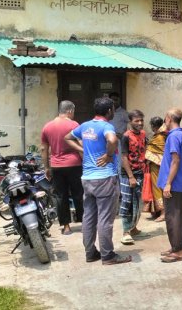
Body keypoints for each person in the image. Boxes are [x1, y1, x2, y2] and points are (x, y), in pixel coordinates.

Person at [64, 97, 131, 265]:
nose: (114, 112)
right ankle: (108, 255)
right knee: (105, 219)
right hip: (104, 178)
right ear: (109, 111)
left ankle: (90, 252)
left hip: (87, 178)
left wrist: (83, 150)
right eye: (113, 109)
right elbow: (113, 140)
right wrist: (109, 155)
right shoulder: (107, 126)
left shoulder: (85, 126)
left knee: (89, 217)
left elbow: (67, 138)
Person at [41, 100, 83, 236]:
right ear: (70, 111)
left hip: (56, 166)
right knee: (78, 193)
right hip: (74, 165)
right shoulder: (74, 124)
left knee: (60, 196)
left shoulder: (47, 127)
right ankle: (83, 222)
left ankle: (66, 227)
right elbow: (81, 145)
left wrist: (46, 167)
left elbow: (44, 149)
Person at [158, 108, 182, 263]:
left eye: (165, 118)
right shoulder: (179, 135)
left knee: (173, 217)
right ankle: (177, 246)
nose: (164, 121)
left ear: (169, 119)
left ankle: (178, 251)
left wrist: (168, 183)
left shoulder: (174, 137)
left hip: (173, 184)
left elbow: (175, 161)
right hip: (177, 183)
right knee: (176, 216)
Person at [119, 110, 147, 245]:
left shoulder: (143, 134)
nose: (140, 123)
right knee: (127, 202)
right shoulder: (126, 137)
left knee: (137, 201)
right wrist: (130, 176)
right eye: (137, 121)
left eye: (141, 120)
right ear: (130, 122)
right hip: (127, 174)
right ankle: (125, 232)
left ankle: (134, 228)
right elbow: (124, 157)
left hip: (140, 173)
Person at [145, 117, 166, 221]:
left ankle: (163, 213)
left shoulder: (160, 137)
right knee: (154, 188)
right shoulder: (159, 136)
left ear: (153, 126)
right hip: (154, 166)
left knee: (159, 189)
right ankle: (156, 211)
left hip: (158, 166)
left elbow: (151, 151)